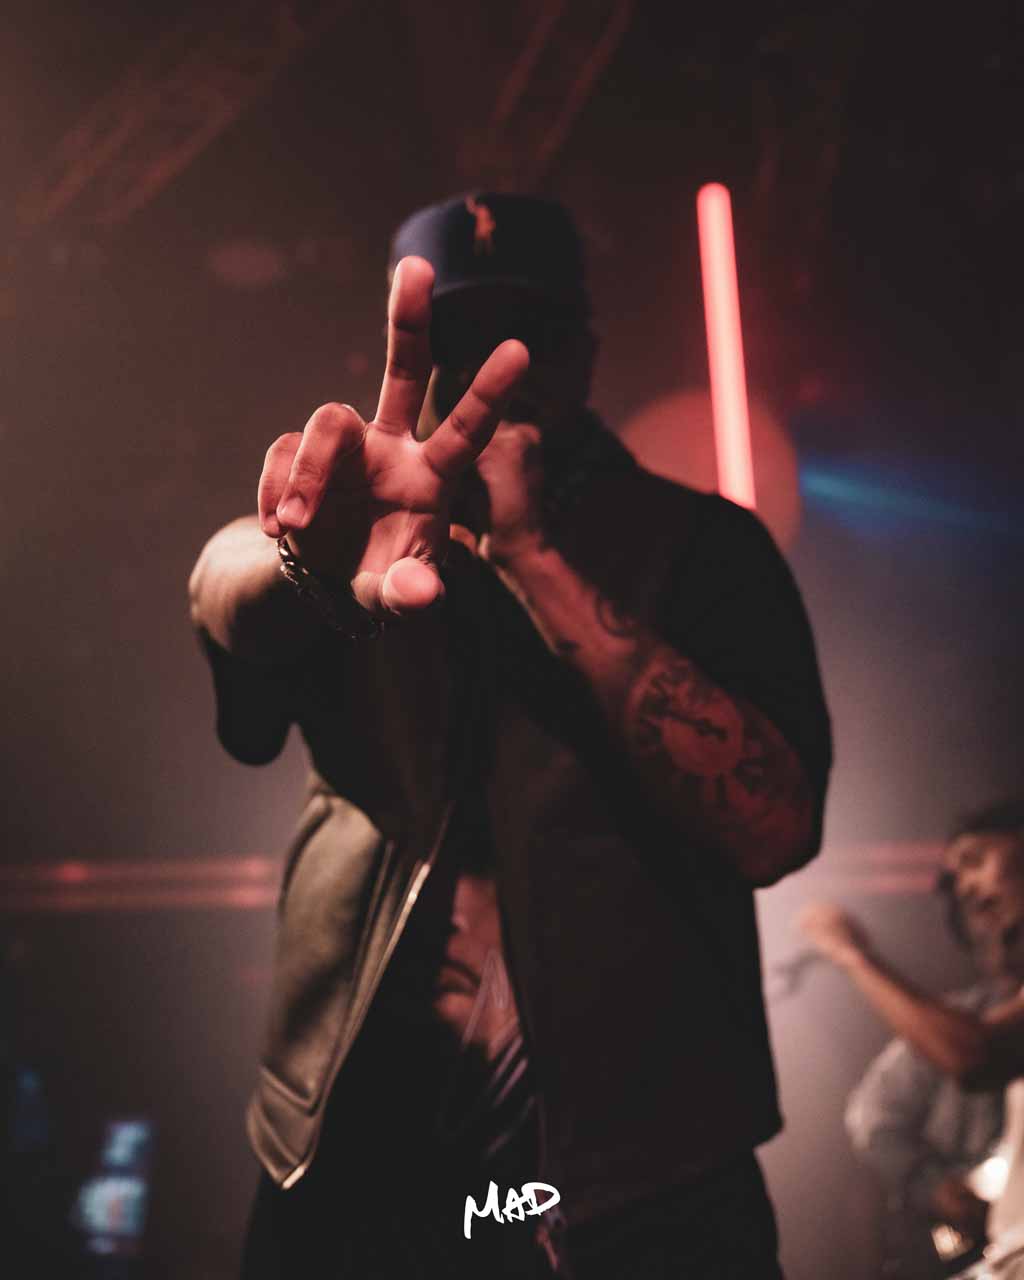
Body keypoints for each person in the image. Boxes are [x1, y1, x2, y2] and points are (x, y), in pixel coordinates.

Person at [190, 192, 833, 1278]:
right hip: (360, 1153)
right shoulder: (355, 531)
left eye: (522, 336)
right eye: (459, 337)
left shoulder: (706, 549)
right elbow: (222, 590)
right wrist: (307, 560)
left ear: (583, 352)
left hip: (646, 1176)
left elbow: (773, 827)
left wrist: (532, 552)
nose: (492, 367)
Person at [800, 801, 1024, 1278]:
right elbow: (874, 1114)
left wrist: (851, 954)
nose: (966, 889)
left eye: (976, 861)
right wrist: (935, 1188)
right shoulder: (972, 1012)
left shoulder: (967, 1031)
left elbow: (974, 1055)